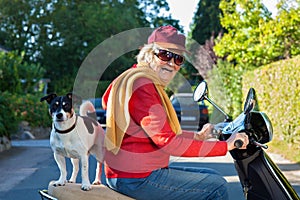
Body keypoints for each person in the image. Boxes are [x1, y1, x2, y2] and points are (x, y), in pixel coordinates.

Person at [102, 25, 249, 200]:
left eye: (178, 59)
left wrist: (198, 137)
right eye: (165, 55)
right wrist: (228, 145)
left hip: (129, 173)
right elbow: (168, 142)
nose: (171, 63)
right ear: (148, 53)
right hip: (136, 178)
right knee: (216, 186)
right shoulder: (143, 85)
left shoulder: (134, 78)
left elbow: (161, 132)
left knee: (208, 174)